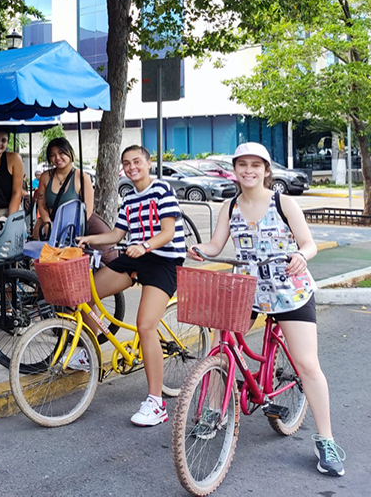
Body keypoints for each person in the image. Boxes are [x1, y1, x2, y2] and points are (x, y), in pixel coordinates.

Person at [190, 142, 345, 477]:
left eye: (255, 165)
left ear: (265, 170)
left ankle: (327, 440)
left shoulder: (282, 201)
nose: (248, 170)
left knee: (306, 363)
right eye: (242, 164)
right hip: (247, 290)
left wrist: (302, 255)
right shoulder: (229, 207)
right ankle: (213, 412)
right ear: (234, 169)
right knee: (223, 347)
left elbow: (309, 244)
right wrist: (199, 249)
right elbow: (217, 245)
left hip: (290, 291)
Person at [77, 144, 186, 427]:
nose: (131, 167)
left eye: (136, 161)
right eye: (126, 163)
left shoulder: (162, 190)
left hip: (163, 261)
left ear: (148, 163)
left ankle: (156, 403)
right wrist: (88, 240)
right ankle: (90, 348)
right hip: (135, 257)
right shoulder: (129, 199)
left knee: (145, 325)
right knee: (84, 294)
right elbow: (116, 234)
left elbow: (168, 232)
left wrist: (146, 246)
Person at [34, 138, 94, 240]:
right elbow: (42, 204)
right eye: (52, 155)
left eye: (61, 153)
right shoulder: (45, 176)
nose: (57, 158)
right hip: (49, 226)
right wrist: (47, 222)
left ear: (70, 153)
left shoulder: (82, 177)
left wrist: (74, 229)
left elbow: (87, 210)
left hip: (72, 230)